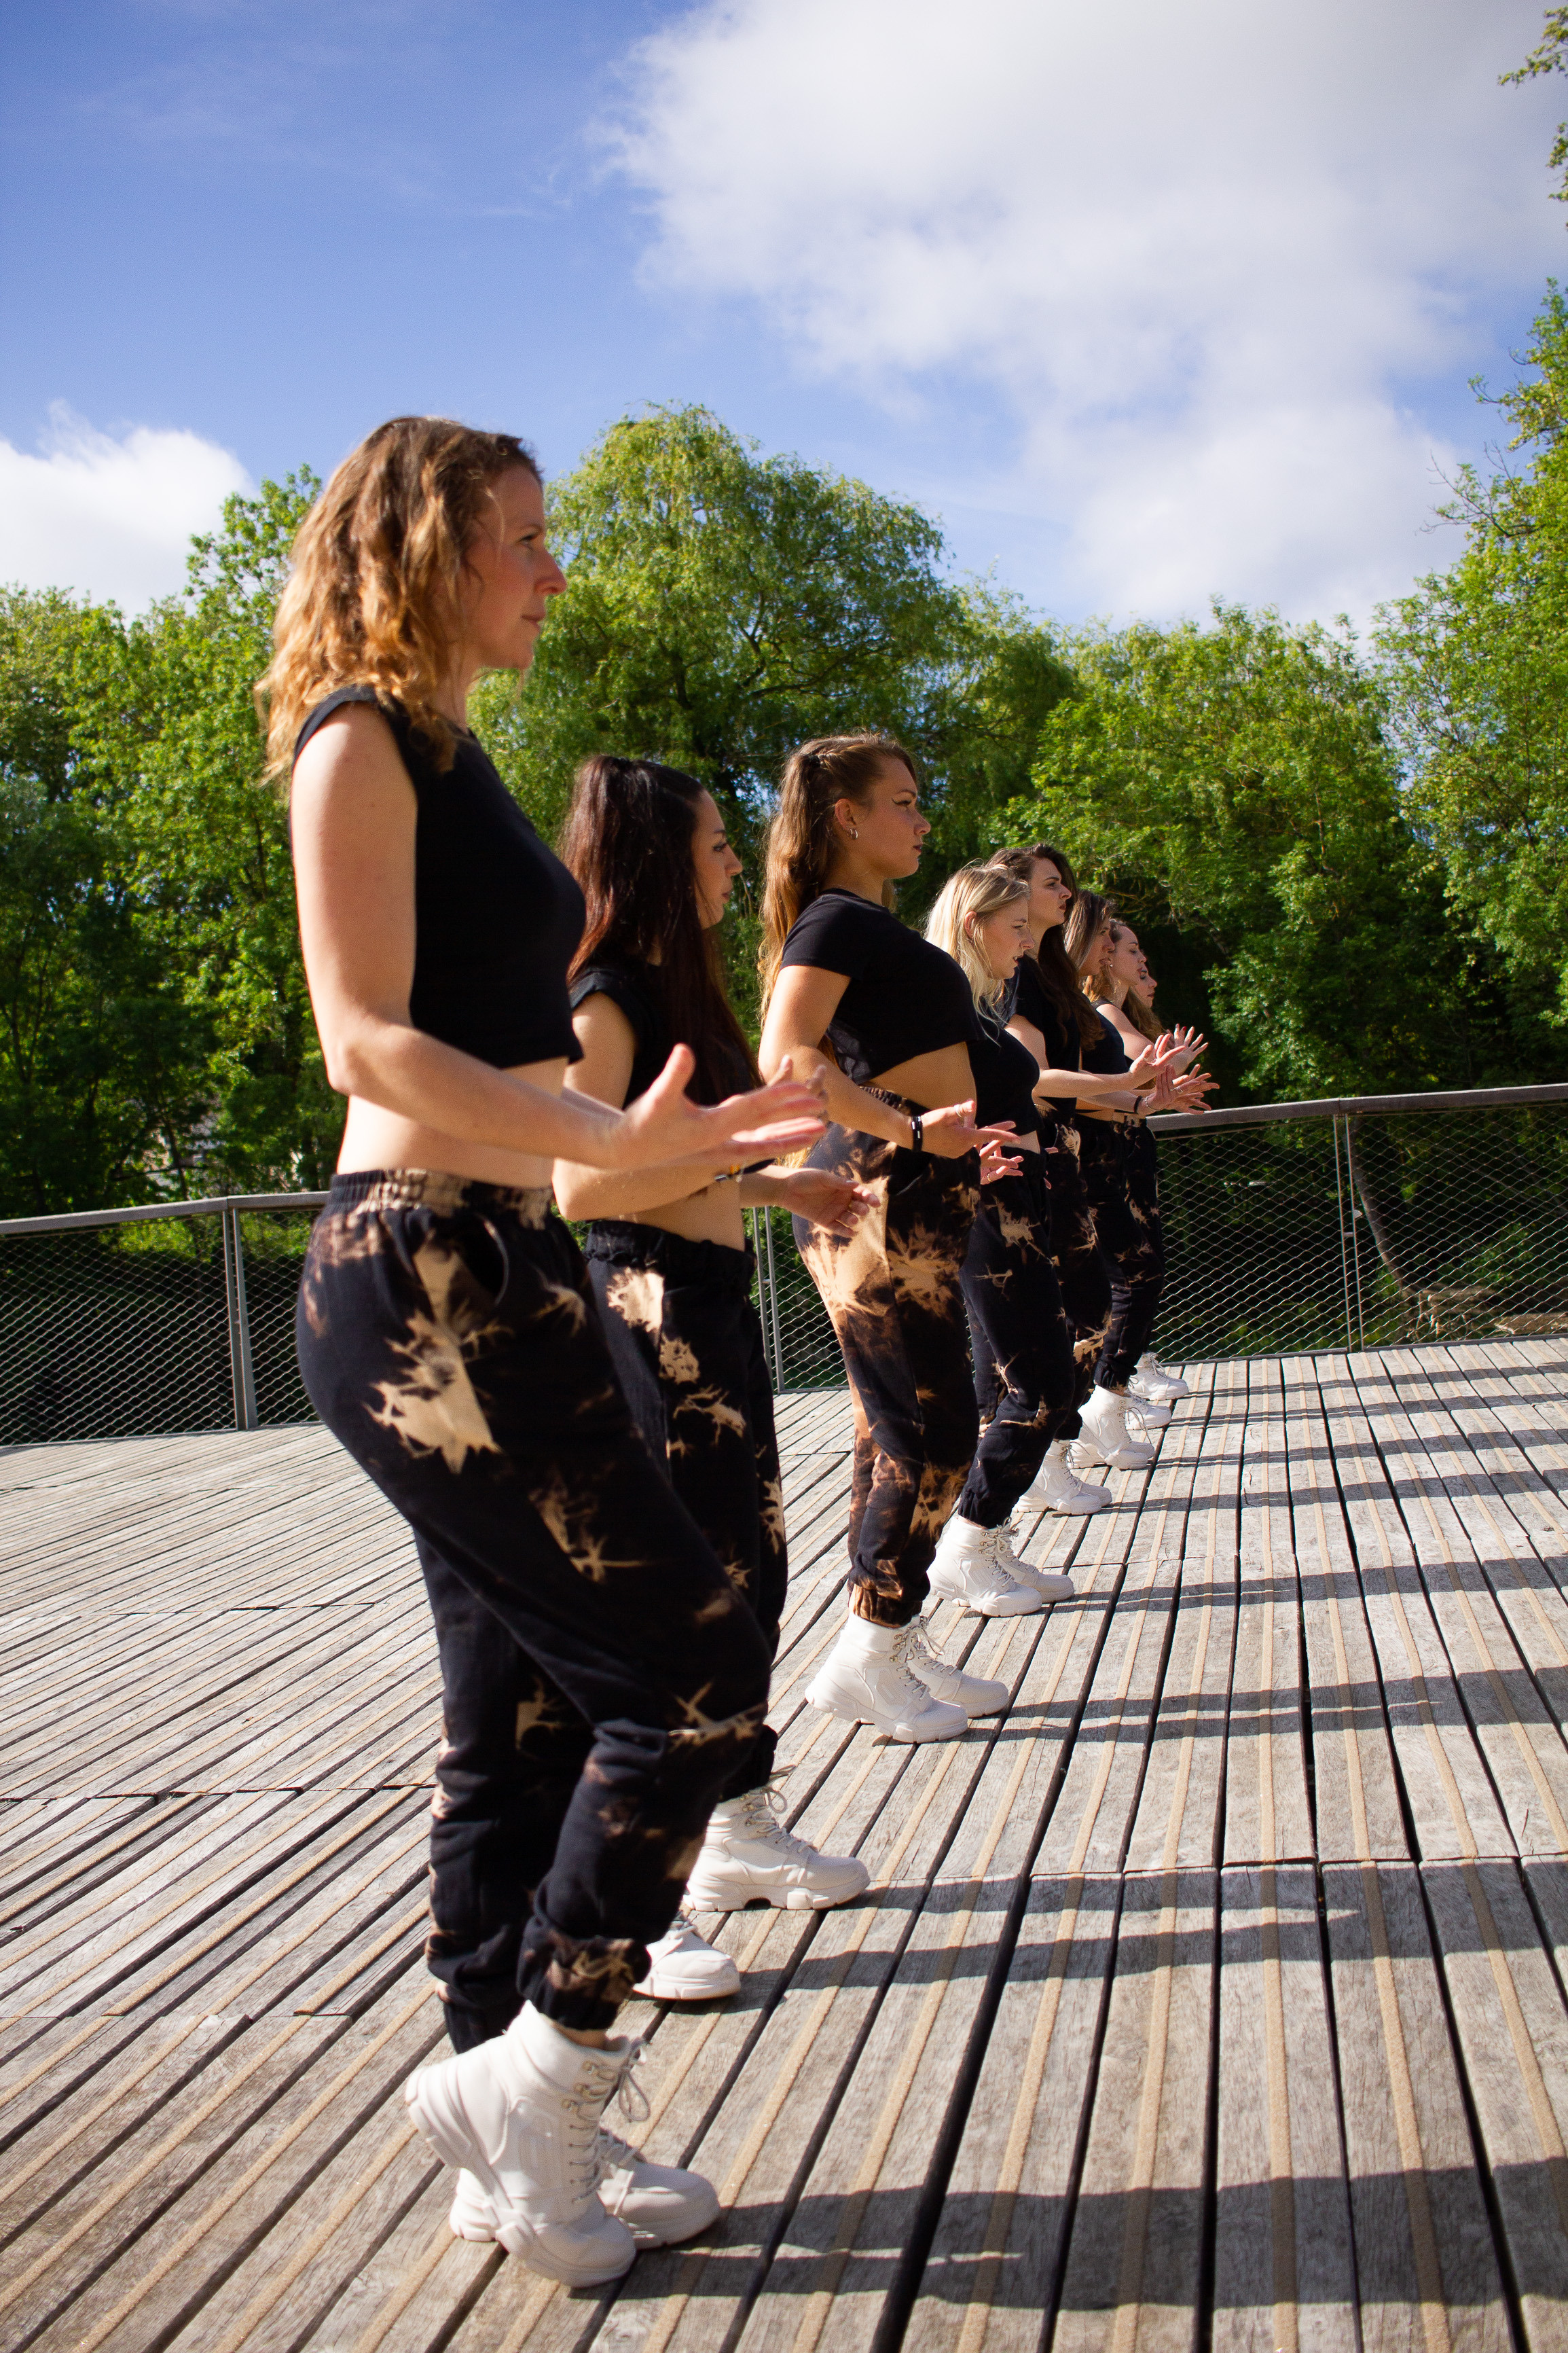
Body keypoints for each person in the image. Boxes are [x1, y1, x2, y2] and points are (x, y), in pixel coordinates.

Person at [274, 416, 825, 2287]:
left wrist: (662, 1151)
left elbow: (504, 1065)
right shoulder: (358, 733)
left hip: (488, 1246)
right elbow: (362, 1042)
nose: (552, 569)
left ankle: (517, 2149)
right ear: (429, 543)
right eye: (526, 537)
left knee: (508, 1728)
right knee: (686, 1664)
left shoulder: (448, 744)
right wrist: (607, 1150)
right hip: (425, 1271)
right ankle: (552, 2075)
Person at [553, 755, 873, 1978]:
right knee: (679, 1592)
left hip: (709, 1298)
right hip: (642, 1303)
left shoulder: (677, 988)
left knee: (751, 1567)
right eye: (715, 844)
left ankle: (735, 1827)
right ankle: (651, 1886)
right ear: (655, 856)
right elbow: (581, 1181)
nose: (736, 862)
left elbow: (677, 1160)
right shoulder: (604, 996)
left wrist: (772, 1175)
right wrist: (729, 1156)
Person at [757, 734, 1018, 1746]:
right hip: (876, 1196)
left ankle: (889, 1639)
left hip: (919, 1187)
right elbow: (789, 1058)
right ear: (846, 819)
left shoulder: (865, 925)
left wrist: (951, 1146)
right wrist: (911, 1133)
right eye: (902, 803)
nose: (920, 820)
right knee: (933, 1428)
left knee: (893, 1431)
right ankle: (868, 1650)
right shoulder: (831, 921)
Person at [987, 846, 1176, 1510]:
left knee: (1085, 1306)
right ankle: (1035, 1464)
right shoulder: (1019, 975)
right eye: (1051, 883)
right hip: (1028, 1158)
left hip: (1057, 1155)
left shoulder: (1049, 976)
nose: (1065, 892)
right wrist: (1125, 1084)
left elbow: (1068, 1085)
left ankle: (1056, 1448)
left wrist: (1144, 1098)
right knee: (1053, 1321)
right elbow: (1030, 1076)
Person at [922, 863, 1078, 1596]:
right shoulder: (939, 1006)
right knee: (1043, 1385)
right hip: (988, 1215)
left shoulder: (977, 1011)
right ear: (970, 925)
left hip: (1019, 1208)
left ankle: (988, 1538)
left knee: (1023, 1380)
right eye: (1013, 927)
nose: (1024, 941)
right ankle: (969, 1538)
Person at [1064, 894, 1207, 1470]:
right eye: (1123, 946)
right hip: (1090, 1160)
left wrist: (1150, 1096)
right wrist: (1150, 1081)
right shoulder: (1086, 1010)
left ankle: (1102, 1402)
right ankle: (1098, 1403)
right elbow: (1092, 1085)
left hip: (1115, 1150)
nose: (1138, 959)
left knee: (1129, 1278)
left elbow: (1125, 1088)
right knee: (1121, 1281)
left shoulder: (1092, 1011)